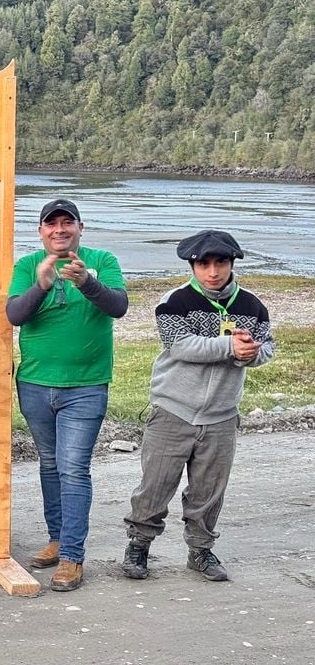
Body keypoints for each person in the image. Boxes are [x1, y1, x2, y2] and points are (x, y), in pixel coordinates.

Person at [121, 230, 274, 582]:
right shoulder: (174, 300)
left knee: (209, 491)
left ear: (232, 263)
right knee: (155, 485)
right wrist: (230, 348)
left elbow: (267, 346)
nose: (213, 271)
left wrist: (251, 353)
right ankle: (139, 545)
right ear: (192, 265)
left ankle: (201, 550)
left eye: (220, 262)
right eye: (204, 264)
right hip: (173, 409)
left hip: (222, 414)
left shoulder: (252, 305)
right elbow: (181, 346)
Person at [6, 198, 128, 592]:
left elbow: (118, 306)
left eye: (67, 223)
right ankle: (57, 538)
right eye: (51, 224)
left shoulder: (102, 260)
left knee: (73, 468)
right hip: (36, 383)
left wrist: (87, 283)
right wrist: (42, 284)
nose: (59, 230)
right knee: (49, 464)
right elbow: (14, 314)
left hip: (86, 385)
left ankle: (73, 556)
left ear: (80, 227)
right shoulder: (27, 266)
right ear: (40, 231)